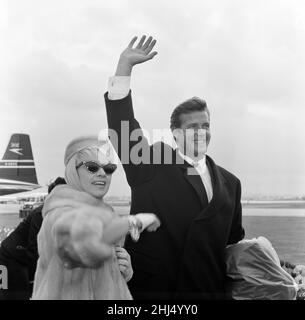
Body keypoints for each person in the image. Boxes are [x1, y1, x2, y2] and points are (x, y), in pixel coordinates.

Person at [104, 35, 245, 299]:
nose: (201, 132)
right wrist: (124, 66)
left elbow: (232, 245)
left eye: (205, 126)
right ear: (175, 133)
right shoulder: (154, 163)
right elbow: (122, 130)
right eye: (192, 127)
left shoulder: (231, 183)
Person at [32, 135, 160, 300]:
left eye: (108, 168)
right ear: (73, 171)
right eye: (92, 167)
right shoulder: (61, 213)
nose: (102, 174)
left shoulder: (99, 213)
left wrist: (123, 272)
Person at [0, 177, 66, 300]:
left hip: (24, 258)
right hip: (11, 257)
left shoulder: (61, 213)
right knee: (15, 295)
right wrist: (34, 279)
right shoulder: (41, 214)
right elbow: (34, 248)